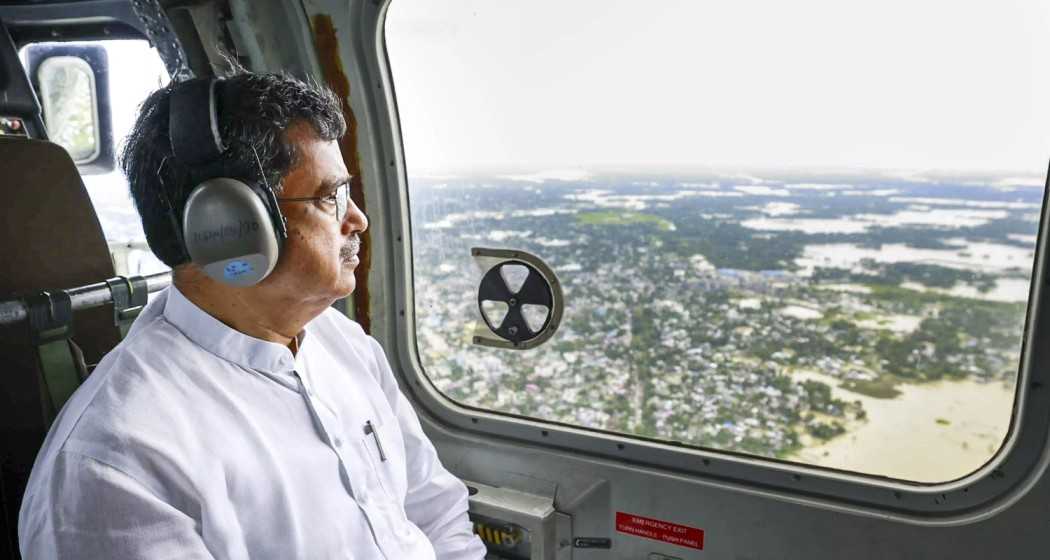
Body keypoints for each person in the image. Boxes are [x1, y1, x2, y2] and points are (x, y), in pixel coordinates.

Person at [18, 72, 487, 559]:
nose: (358, 221)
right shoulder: (117, 462)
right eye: (331, 197)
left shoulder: (342, 342)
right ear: (228, 226)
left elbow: (436, 512)